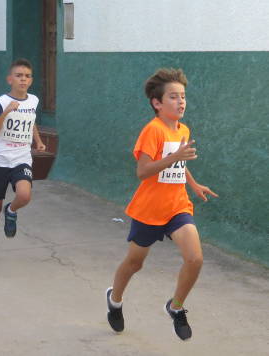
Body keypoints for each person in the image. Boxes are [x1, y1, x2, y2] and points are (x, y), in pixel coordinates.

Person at [106, 68, 218, 341]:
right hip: (149, 211)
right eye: (173, 97)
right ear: (157, 103)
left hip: (178, 207)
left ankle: (175, 307)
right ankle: (115, 300)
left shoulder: (183, 129)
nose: (181, 102)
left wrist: (193, 183)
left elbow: (177, 163)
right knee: (134, 264)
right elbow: (143, 171)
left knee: (195, 259)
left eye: (183, 97)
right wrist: (175, 156)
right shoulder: (152, 131)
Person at [0, 58, 46, 263]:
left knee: (24, 196)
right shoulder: (1, 102)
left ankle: (11, 210)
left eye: (27, 76)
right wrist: (7, 112)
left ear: (31, 81)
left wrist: (38, 141)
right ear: (10, 79)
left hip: (21, 158)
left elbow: (30, 121)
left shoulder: (33, 101)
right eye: (19, 75)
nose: (23, 79)